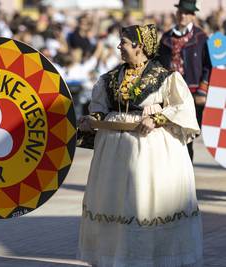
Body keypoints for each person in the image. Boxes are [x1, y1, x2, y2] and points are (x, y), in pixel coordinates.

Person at [78, 24, 203, 266]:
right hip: (114, 154)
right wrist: (92, 120)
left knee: (144, 202)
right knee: (116, 203)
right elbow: (101, 109)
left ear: (140, 46)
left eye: (124, 42)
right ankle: (116, 258)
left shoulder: (166, 77)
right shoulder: (110, 78)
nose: (119, 47)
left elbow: (183, 108)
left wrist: (157, 118)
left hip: (150, 152)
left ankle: (150, 258)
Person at [157, 0, 212, 161]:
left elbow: (208, 66)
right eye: (180, 12)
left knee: (188, 137)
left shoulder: (201, 37)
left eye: (187, 12)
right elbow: (159, 64)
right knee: (169, 136)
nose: (183, 15)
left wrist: (202, 91)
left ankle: (187, 176)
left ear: (193, 16)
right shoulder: (166, 37)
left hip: (192, 93)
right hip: (170, 93)